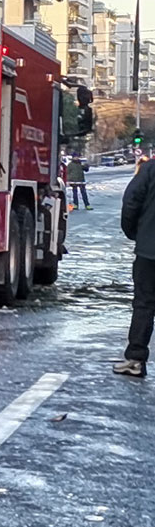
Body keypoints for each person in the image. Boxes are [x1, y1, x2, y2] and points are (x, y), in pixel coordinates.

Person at [118, 155, 155, 377]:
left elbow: (130, 203)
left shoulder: (150, 170)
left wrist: (137, 235)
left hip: (149, 251)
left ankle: (136, 359)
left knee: (144, 304)